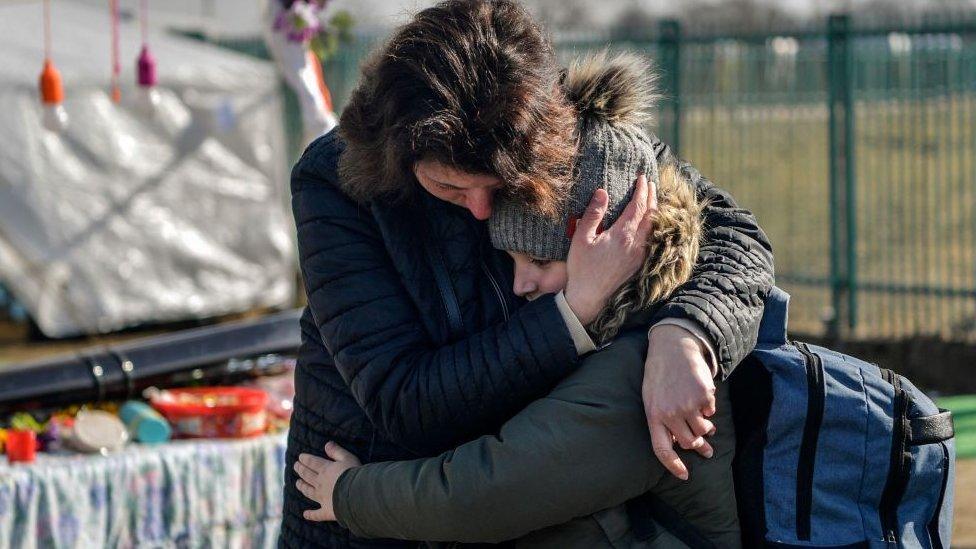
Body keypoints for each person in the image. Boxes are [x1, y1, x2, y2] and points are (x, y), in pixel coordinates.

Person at [281, 1, 774, 546]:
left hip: (505, 499)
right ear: (399, 154)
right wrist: (576, 311)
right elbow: (404, 399)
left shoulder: (565, 127)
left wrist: (686, 333)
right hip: (362, 499)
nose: (479, 210)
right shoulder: (334, 181)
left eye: (498, 185)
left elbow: (729, 233)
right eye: (449, 188)